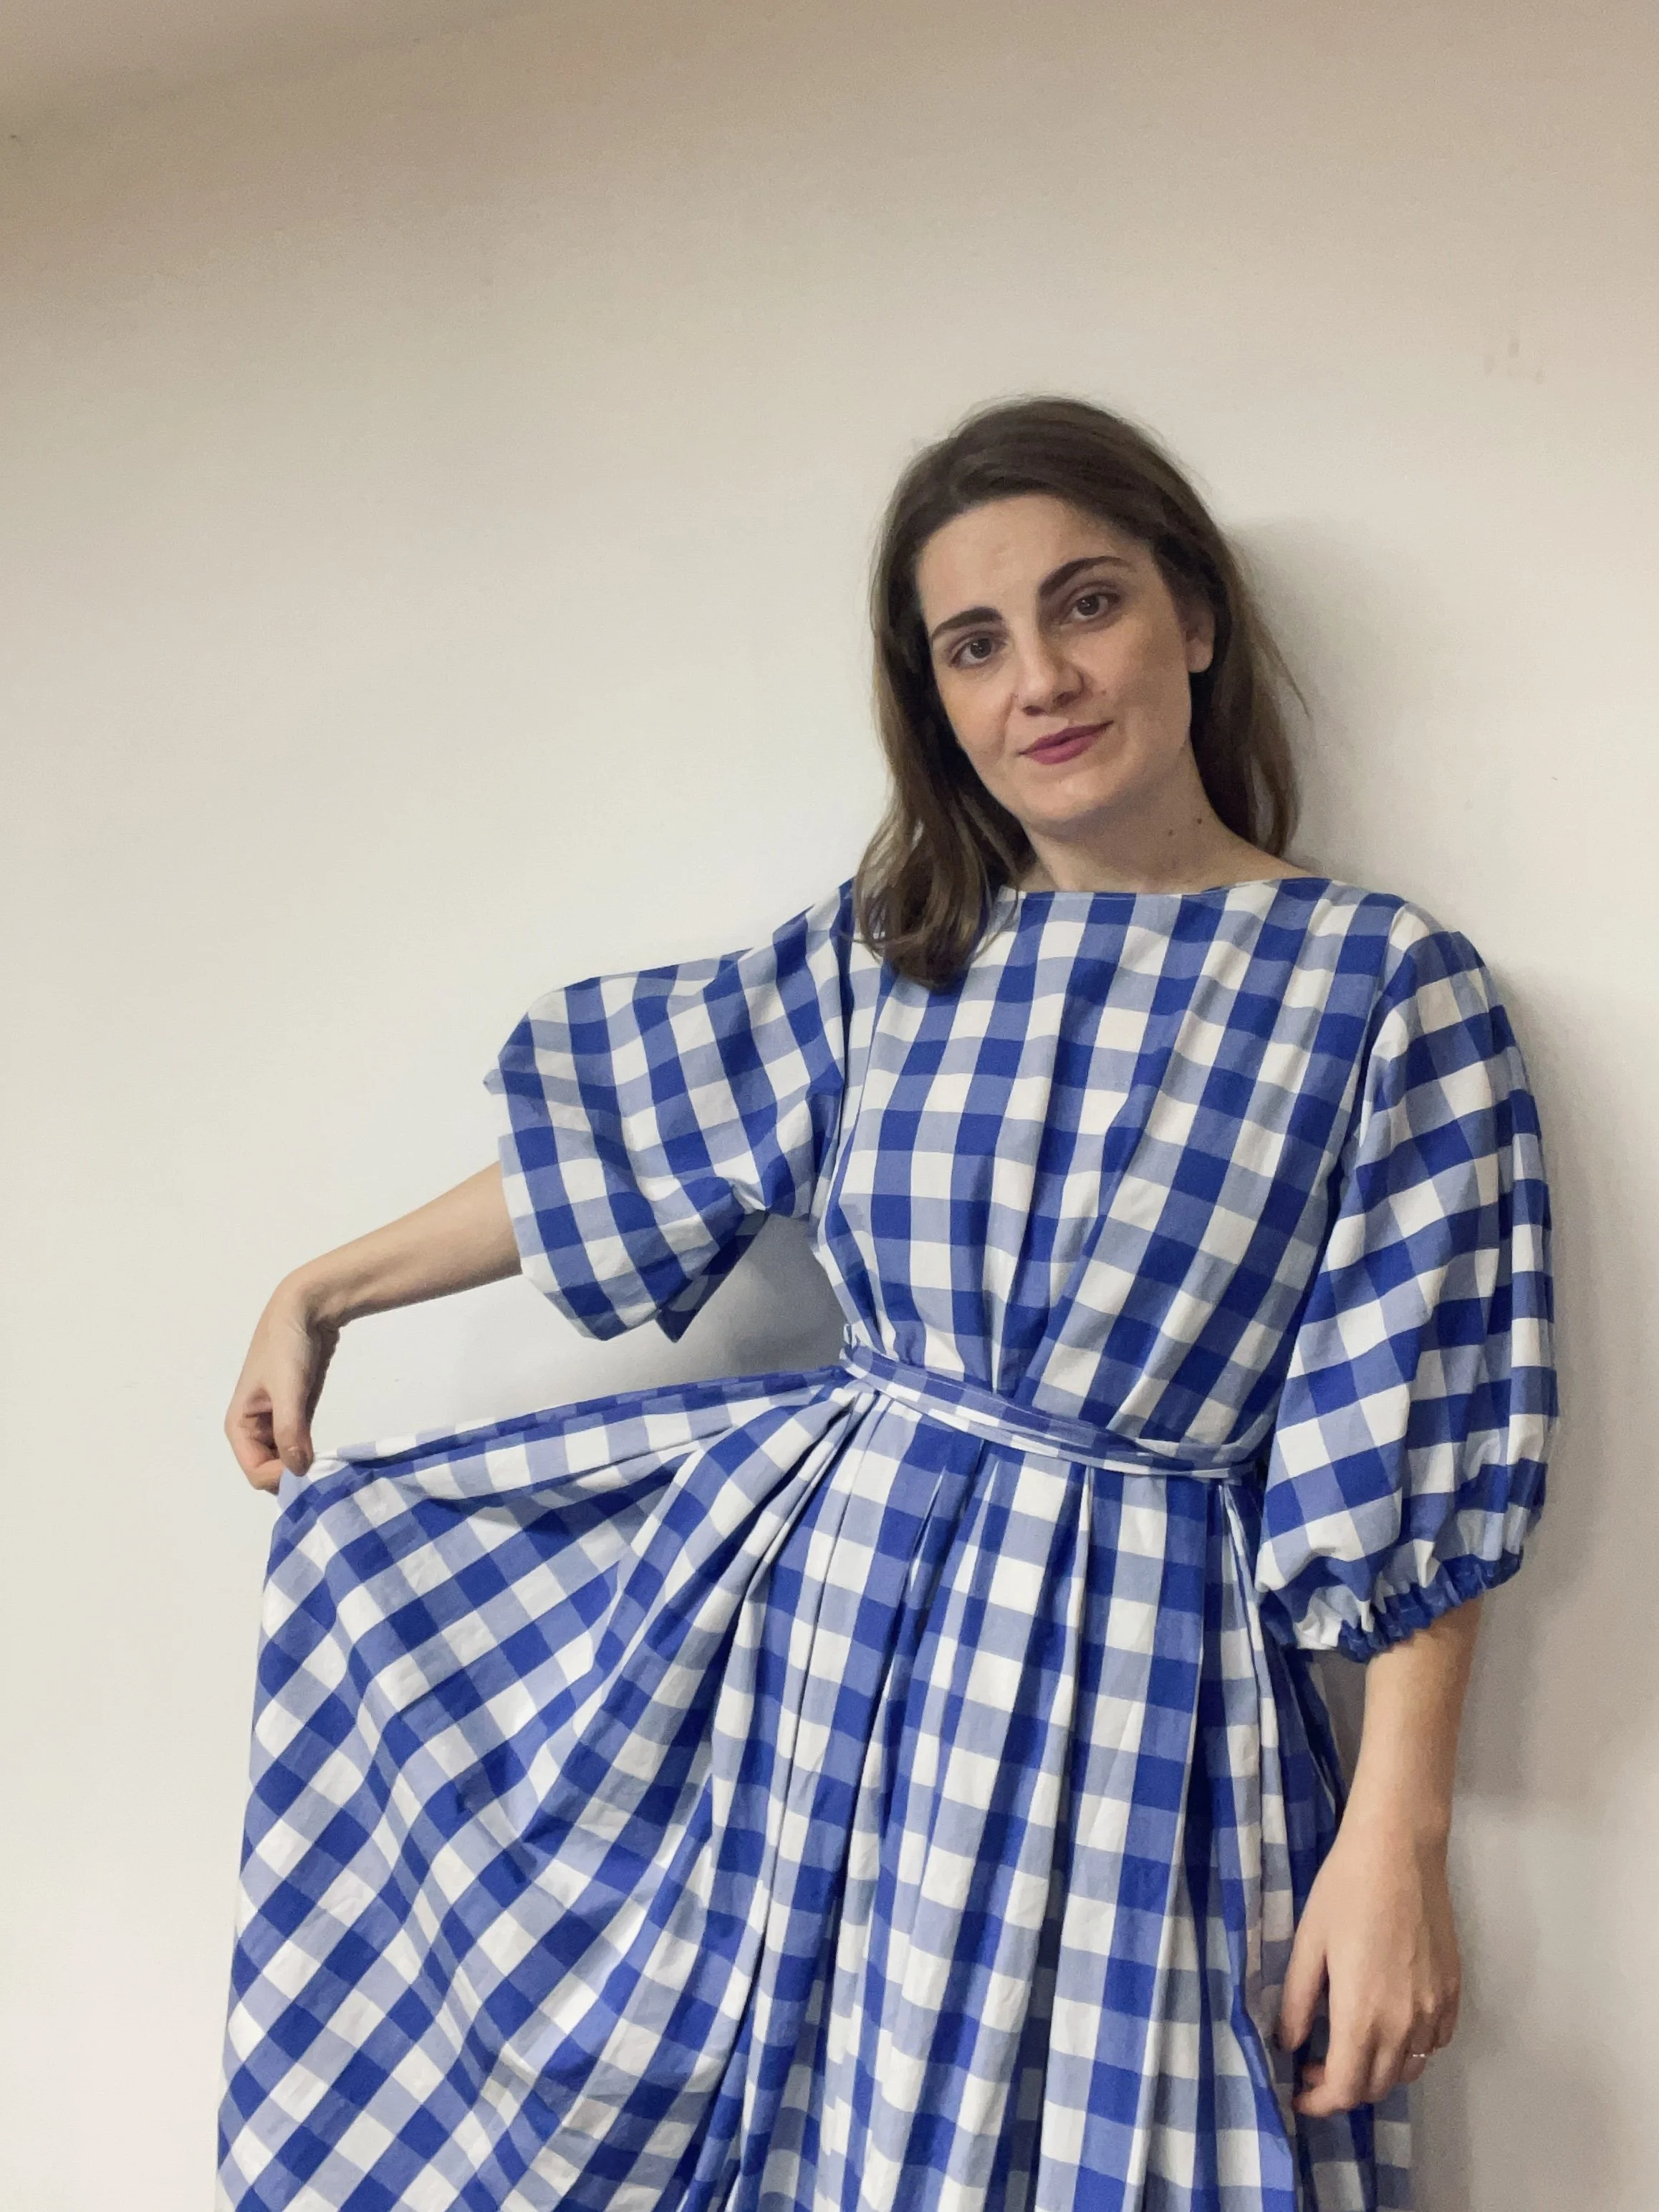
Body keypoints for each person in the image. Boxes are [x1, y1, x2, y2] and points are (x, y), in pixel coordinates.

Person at [218, 396, 1556, 2212]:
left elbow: (1420, 1441)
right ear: (935, 696)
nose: (1040, 681)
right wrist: (324, 1288)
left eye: (1087, 603)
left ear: (1195, 616)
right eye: (974, 644)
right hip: (822, 1654)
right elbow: (625, 1144)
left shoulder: (1383, 988)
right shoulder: (902, 950)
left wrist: (1396, 1838)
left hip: (1134, 1694)